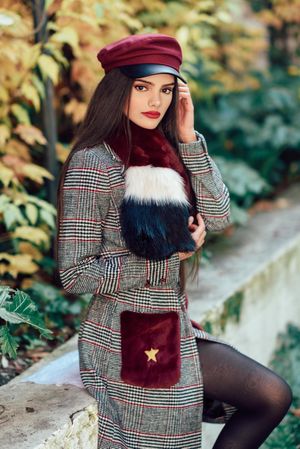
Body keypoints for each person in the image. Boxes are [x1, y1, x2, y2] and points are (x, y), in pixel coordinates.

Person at [56, 34, 293, 449]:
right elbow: (74, 273)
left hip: (173, 324)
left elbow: (219, 215)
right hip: (123, 335)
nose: (156, 101)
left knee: (271, 395)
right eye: (142, 87)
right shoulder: (95, 162)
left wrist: (188, 139)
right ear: (118, 91)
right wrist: (164, 258)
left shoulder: (168, 151)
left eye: (166, 89)